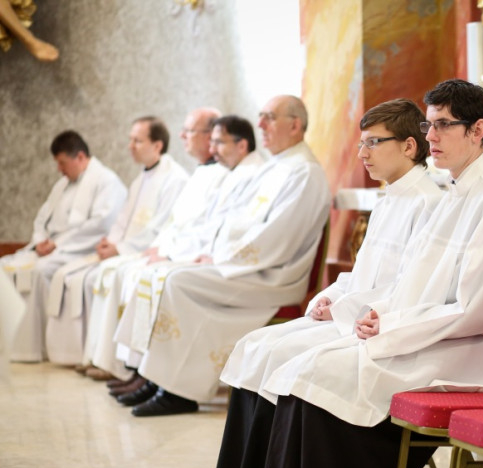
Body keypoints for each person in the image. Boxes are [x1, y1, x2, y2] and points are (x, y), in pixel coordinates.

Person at [240, 79, 483, 468]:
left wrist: (395, 325)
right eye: (429, 125)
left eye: (443, 125)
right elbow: (416, 281)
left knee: (324, 370)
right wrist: (382, 313)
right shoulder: (458, 191)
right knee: (311, 366)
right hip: (438, 334)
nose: (431, 136)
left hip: (479, 351)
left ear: (478, 130)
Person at [202, 98, 443, 468]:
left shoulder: (428, 202)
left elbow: (411, 287)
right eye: (361, 143)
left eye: (373, 142)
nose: (362, 153)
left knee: (285, 356)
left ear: (409, 146)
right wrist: (329, 297)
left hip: (376, 324)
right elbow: (362, 273)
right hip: (352, 313)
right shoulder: (389, 197)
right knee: (256, 345)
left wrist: (346, 308)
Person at [121, 95, 331, 417]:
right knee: (166, 274)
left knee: (176, 282)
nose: (260, 124)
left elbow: (277, 238)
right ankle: (156, 377)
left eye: (269, 117)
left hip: (271, 274)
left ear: (295, 125)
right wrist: (209, 252)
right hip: (243, 264)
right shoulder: (275, 167)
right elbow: (228, 218)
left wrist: (220, 258)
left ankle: (178, 391)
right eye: (260, 116)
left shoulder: (304, 172)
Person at [86, 113, 265, 384]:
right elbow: (181, 223)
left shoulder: (239, 174)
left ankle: (150, 376)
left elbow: (217, 228)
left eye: (189, 131)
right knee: (139, 273)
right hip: (190, 251)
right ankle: (135, 369)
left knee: (156, 277)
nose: (182, 136)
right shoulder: (214, 173)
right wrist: (163, 249)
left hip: (215, 260)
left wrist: (172, 253)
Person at [44, 117, 188, 365]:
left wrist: (119, 249)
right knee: (76, 277)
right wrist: (109, 243)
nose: (130, 146)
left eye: (137, 141)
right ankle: (89, 356)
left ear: (157, 145)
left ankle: (115, 363)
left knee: (99, 278)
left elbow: (160, 227)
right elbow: (122, 220)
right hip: (126, 250)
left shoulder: (175, 179)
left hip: (144, 252)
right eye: (130, 140)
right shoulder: (141, 179)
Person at [0, 130, 126, 362]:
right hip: (52, 249)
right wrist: (39, 242)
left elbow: (101, 224)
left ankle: (38, 347)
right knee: (5, 266)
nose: (59, 169)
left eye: (62, 163)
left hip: (80, 250)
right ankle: (11, 344)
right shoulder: (62, 185)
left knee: (40, 271)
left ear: (80, 157)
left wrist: (56, 244)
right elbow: (41, 219)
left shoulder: (107, 182)